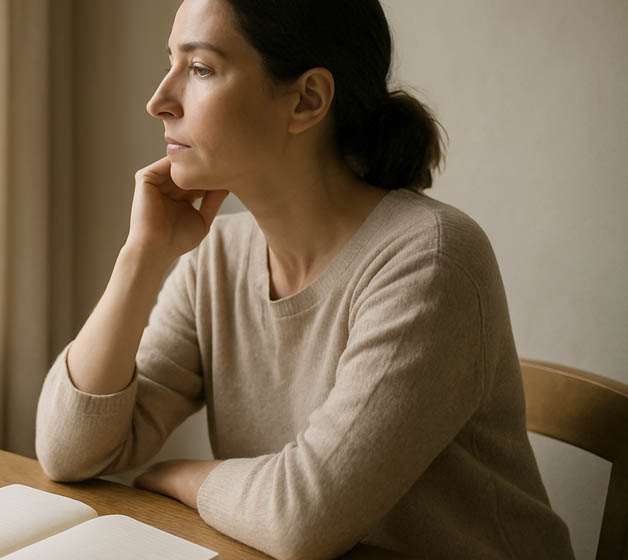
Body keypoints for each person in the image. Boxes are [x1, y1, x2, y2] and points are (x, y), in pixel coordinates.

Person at [34, 0, 576, 558]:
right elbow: (69, 451)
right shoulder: (219, 257)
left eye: (200, 69)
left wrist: (182, 476)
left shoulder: (430, 261)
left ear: (307, 100)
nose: (159, 101)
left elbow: (301, 518)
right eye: (171, 62)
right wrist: (141, 257)